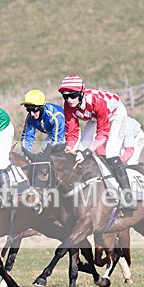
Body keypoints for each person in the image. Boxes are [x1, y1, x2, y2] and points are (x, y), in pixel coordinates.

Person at [59, 74, 135, 214]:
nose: (69, 100)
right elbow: (72, 133)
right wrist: (69, 148)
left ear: (81, 93)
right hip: (95, 117)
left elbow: (103, 134)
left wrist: (88, 152)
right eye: (65, 96)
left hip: (116, 114)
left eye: (72, 95)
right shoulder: (68, 105)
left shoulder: (96, 101)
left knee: (111, 152)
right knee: (78, 151)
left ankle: (127, 195)